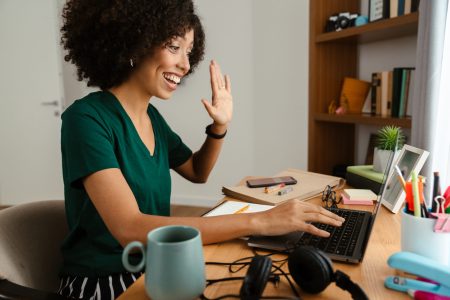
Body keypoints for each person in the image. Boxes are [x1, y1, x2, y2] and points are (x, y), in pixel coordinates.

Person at [58, 0, 345, 299]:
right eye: (173, 46)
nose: (185, 64)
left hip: (156, 265)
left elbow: (197, 171)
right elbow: (129, 227)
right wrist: (261, 220)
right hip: (103, 281)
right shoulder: (86, 120)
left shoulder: (152, 118)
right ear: (133, 41)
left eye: (189, 51)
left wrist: (219, 126)